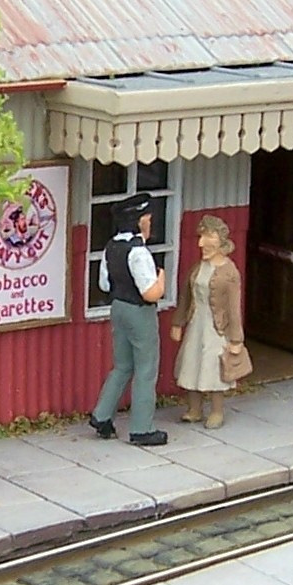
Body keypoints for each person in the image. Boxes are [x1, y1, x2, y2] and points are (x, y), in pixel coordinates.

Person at [89, 191, 169, 446]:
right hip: (139, 311)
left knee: (122, 365)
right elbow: (150, 293)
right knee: (146, 369)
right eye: (148, 218)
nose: (150, 222)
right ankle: (142, 429)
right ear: (139, 221)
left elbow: (104, 285)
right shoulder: (139, 252)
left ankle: (102, 416)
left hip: (118, 307)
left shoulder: (111, 247)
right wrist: (161, 279)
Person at [170, 216, 245, 428]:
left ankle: (217, 411)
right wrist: (178, 323)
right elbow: (186, 297)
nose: (201, 243)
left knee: (213, 367)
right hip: (196, 324)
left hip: (216, 328)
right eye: (201, 237)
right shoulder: (197, 268)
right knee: (192, 363)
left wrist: (236, 339)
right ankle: (194, 409)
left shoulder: (229, 272)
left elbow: (233, 308)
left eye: (208, 237)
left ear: (220, 240)